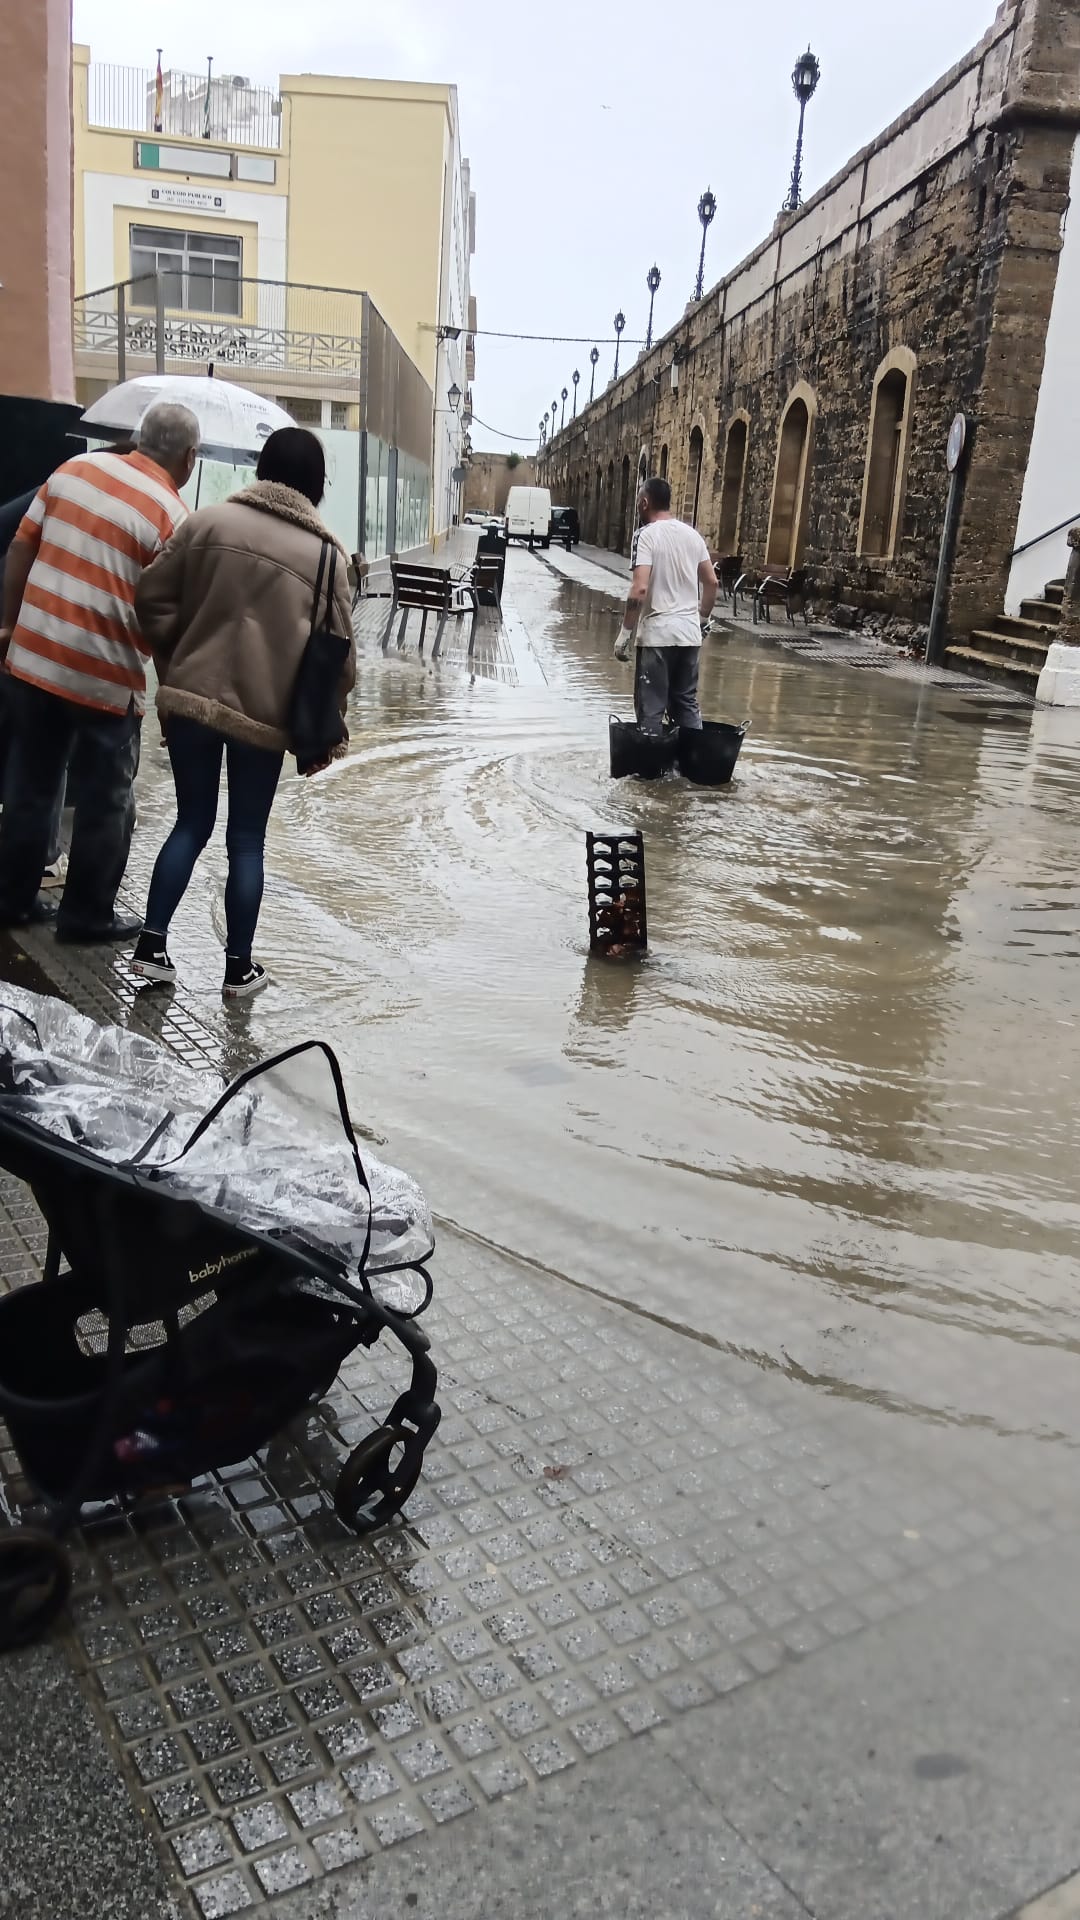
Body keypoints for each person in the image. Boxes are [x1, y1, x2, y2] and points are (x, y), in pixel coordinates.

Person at [131, 426, 355, 1001]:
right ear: (315, 485)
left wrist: (177, 659)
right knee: (247, 841)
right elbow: (340, 658)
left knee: (190, 822)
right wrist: (326, 724)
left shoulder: (206, 522)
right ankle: (237, 971)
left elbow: (150, 598)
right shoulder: (326, 557)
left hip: (189, 700)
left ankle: (152, 948)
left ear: (262, 470)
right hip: (262, 718)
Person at [0, 406, 199, 938]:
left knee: (30, 785)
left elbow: (21, 546)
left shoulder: (72, 470)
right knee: (106, 800)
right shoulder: (175, 517)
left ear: (138, 438)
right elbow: (168, 618)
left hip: (33, 659)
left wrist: (9, 626)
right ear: (189, 458)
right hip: (105, 679)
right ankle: (86, 916)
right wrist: (171, 690)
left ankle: (13, 900)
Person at [613, 477, 717, 734]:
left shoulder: (645, 535)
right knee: (686, 704)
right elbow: (711, 583)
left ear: (644, 503)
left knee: (651, 709)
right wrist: (702, 620)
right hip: (689, 635)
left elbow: (639, 589)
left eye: (639, 501)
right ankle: (693, 756)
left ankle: (650, 759)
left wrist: (625, 634)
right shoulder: (693, 535)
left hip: (657, 636)